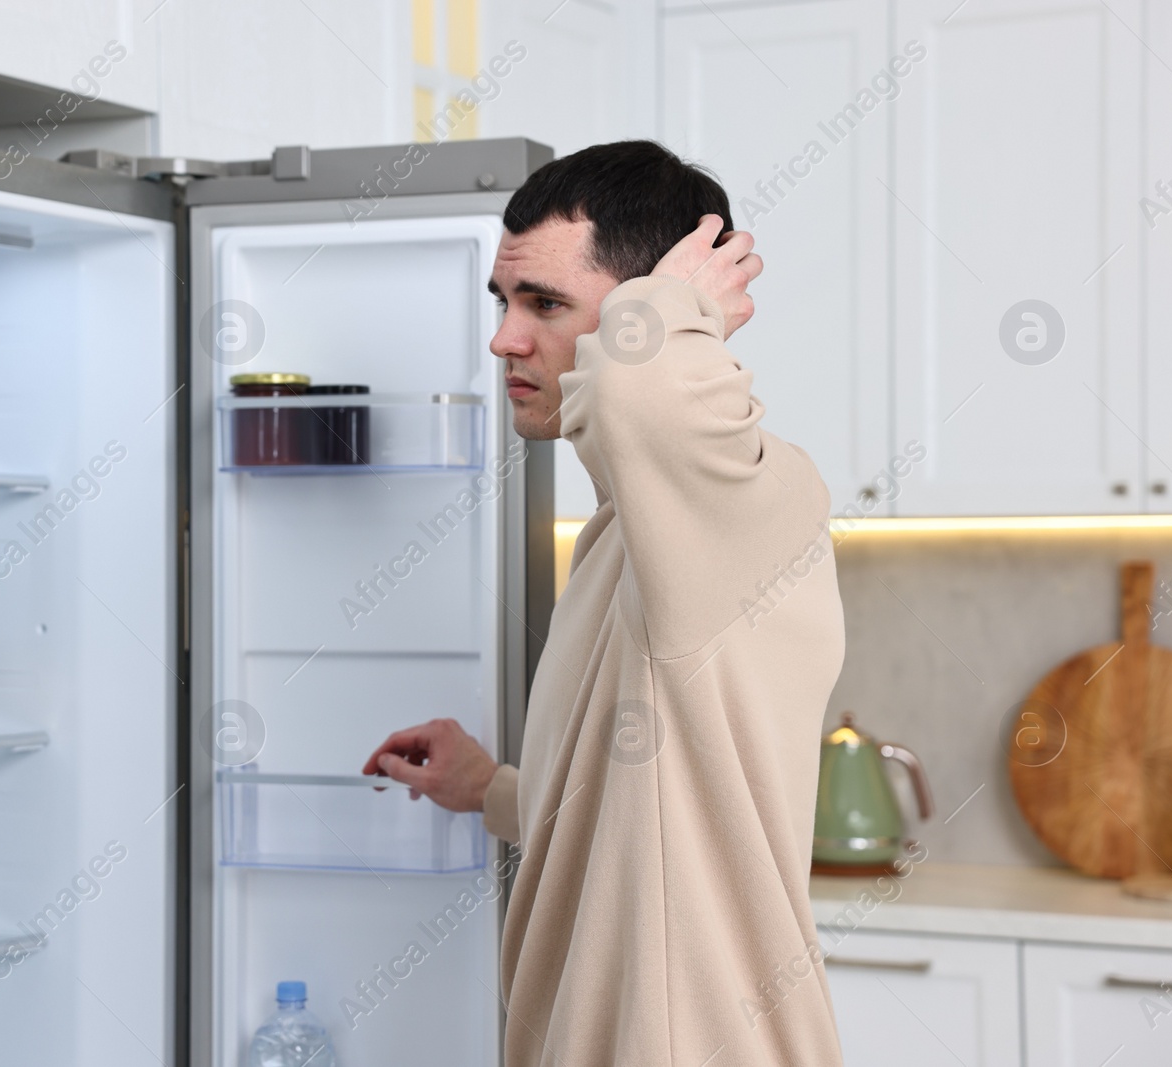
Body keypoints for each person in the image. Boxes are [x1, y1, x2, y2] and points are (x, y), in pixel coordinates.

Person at [363, 140, 847, 1066]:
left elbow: (636, 395)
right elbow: (647, 814)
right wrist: (492, 790)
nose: (506, 338)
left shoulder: (753, 498)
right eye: (504, 303)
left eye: (544, 303)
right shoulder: (623, 535)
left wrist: (679, 303)